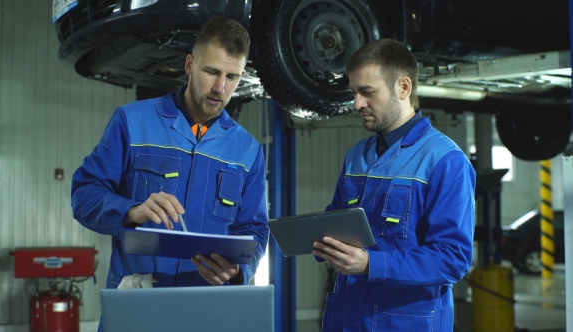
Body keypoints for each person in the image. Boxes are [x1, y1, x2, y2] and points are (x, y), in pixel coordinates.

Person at [71, 16, 269, 323]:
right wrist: (132, 211)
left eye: (232, 77)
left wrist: (238, 270)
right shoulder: (131, 122)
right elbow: (84, 195)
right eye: (211, 72)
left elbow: (254, 231)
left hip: (206, 312)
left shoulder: (249, 151)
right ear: (190, 65)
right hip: (136, 309)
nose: (220, 87)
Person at [312, 39, 476, 332]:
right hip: (346, 319)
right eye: (354, 92)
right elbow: (336, 219)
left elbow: (453, 259)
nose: (357, 103)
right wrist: (319, 239)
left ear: (403, 87)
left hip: (405, 323)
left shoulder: (445, 161)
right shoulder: (356, 156)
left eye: (367, 92)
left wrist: (369, 265)